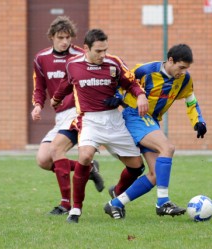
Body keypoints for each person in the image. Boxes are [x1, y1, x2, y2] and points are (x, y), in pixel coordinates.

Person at [51, 28, 149, 223]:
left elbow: (131, 82)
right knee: (85, 155)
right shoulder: (73, 65)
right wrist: (56, 99)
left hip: (114, 120)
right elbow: (65, 84)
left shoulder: (114, 63)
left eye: (105, 50)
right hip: (89, 120)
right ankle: (76, 209)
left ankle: (118, 192)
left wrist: (140, 95)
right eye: (98, 51)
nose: (103, 55)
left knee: (137, 167)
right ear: (86, 48)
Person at [104, 44, 207, 219]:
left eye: (186, 68)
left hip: (151, 122)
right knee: (168, 148)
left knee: (155, 175)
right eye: (181, 67)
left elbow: (190, 99)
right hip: (134, 115)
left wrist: (198, 121)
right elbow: (122, 83)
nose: (183, 72)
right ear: (171, 60)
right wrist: (117, 98)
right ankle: (162, 202)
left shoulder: (184, 79)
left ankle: (115, 204)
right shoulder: (145, 71)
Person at [31, 16, 104, 215]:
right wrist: (38, 105)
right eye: (60, 37)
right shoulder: (41, 58)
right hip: (60, 115)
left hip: (78, 112)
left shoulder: (81, 55)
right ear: (52, 37)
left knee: (56, 150)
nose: (65, 42)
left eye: (68, 37)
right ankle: (88, 169)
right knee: (44, 160)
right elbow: (39, 87)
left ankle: (65, 204)